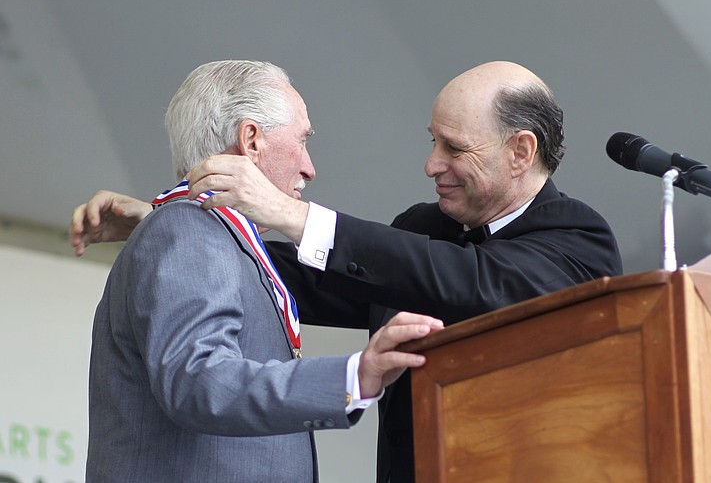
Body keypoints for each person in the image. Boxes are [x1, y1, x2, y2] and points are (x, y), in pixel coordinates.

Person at [72, 60, 623, 483]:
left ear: (520, 151)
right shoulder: (423, 228)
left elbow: (473, 282)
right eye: (432, 141)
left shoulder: (577, 240)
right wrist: (172, 222)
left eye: (453, 147)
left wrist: (290, 215)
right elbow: (290, 278)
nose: (431, 164)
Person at [82, 60, 443, 483]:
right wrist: (353, 375)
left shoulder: (199, 233)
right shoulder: (191, 228)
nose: (310, 168)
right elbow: (199, 381)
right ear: (251, 140)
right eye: (302, 141)